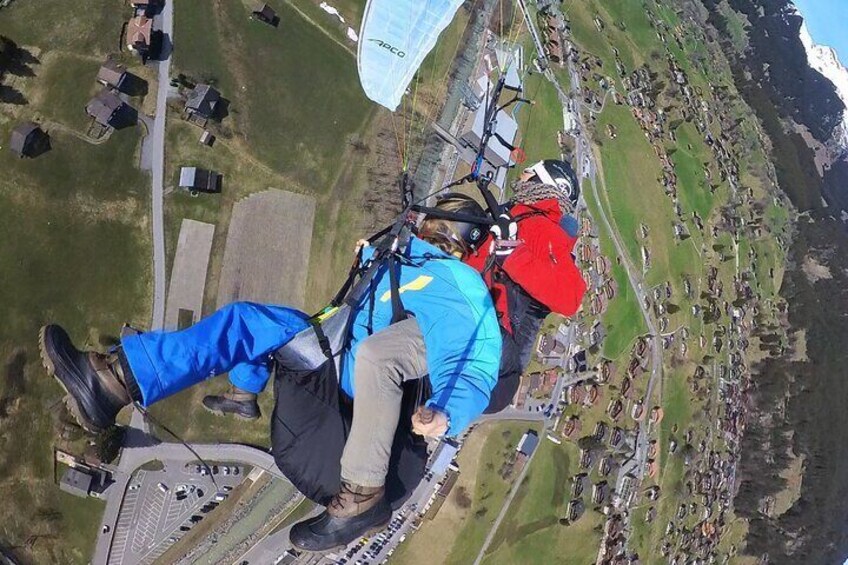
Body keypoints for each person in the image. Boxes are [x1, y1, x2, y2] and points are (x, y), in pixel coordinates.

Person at [38, 197, 501, 552]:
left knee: (248, 324)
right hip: (335, 365)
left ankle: (115, 381)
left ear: (445, 228)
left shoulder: (457, 283)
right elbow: (362, 309)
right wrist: (366, 262)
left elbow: (476, 359)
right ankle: (234, 390)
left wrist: (445, 413)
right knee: (261, 323)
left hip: (341, 387)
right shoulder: (408, 259)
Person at [466, 159, 588, 411]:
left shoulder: (542, 228)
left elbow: (571, 297)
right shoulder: (521, 215)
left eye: (529, 171)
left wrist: (512, 256)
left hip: (489, 351)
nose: (521, 175)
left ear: (543, 181)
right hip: (482, 336)